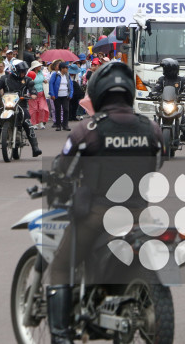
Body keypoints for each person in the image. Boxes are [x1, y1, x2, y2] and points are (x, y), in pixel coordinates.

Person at [45, 62, 164, 344]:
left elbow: (64, 169)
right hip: (138, 215)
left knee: (61, 266)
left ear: (97, 93)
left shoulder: (88, 129)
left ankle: (61, 336)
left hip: (98, 214)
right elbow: (157, 164)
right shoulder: (152, 128)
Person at [0, 60, 42, 159]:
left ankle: (35, 148)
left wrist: (33, 94)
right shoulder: (5, 79)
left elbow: (32, 88)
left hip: (21, 105)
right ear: (15, 70)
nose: (23, 73)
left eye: (24, 71)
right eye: (21, 71)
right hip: (6, 106)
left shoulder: (27, 80)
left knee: (27, 123)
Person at [150, 58, 185, 158]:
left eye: (165, 68)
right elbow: (157, 87)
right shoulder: (162, 79)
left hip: (177, 106)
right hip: (164, 104)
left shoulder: (181, 80)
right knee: (154, 124)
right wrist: (153, 92)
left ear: (171, 69)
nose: (164, 70)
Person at [50, 61, 74, 131]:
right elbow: (51, 84)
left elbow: (70, 85)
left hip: (65, 95)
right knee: (58, 110)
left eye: (67, 68)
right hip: (57, 95)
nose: (67, 69)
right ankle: (58, 125)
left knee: (66, 110)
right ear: (61, 68)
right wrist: (52, 94)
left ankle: (65, 125)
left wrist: (70, 94)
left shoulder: (67, 75)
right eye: (65, 68)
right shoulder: (55, 74)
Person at [28, 60, 49, 129]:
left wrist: (45, 80)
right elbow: (28, 82)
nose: (40, 67)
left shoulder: (40, 73)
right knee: (34, 109)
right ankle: (33, 123)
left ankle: (41, 122)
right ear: (35, 67)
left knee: (42, 108)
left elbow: (43, 79)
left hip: (41, 93)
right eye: (39, 66)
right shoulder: (30, 73)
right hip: (33, 94)